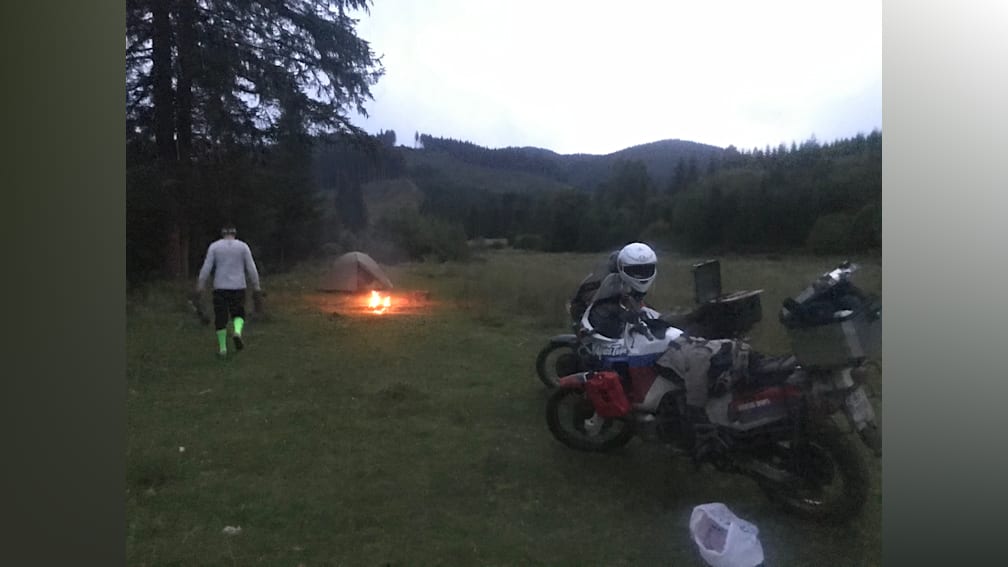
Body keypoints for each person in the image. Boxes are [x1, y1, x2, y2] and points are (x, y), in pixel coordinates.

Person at [194, 223, 262, 358]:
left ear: (223, 233)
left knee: (220, 318)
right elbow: (251, 268)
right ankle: (237, 332)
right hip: (238, 286)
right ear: (234, 233)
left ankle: (223, 348)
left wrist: (200, 285)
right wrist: (256, 286)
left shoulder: (214, 246)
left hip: (220, 287)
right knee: (239, 314)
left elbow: (206, 267)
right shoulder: (243, 246)